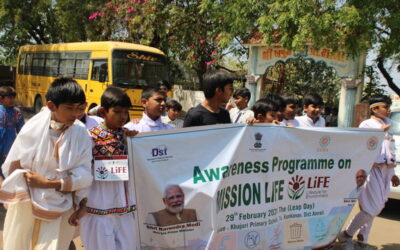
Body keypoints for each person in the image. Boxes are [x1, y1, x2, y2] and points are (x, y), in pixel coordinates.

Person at [0, 78, 93, 250]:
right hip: (26, 200)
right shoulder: (33, 128)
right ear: (51, 106)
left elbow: (85, 172)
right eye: (69, 108)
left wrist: (80, 203)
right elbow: (14, 165)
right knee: (18, 243)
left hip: (63, 202)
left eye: (78, 108)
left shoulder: (81, 133)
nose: (75, 114)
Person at [80, 86, 138, 250]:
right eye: (118, 112)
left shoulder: (128, 136)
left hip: (125, 210)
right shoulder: (90, 137)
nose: (123, 116)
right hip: (99, 209)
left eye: (125, 112)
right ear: (104, 112)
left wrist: (133, 142)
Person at [339, 95, 400, 249]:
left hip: (386, 171)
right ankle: (347, 234)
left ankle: (362, 239)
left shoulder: (388, 124)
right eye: (384, 106)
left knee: (375, 207)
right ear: (374, 108)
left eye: (388, 106)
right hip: (371, 169)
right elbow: (363, 146)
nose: (387, 110)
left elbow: (391, 150)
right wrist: (380, 132)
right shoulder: (366, 124)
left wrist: (392, 173)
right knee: (373, 207)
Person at [0, 86, 24, 179]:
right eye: (9, 97)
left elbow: (22, 132)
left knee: (7, 173)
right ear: (1, 98)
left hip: (10, 149)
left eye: (13, 97)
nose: (12, 100)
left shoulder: (17, 113)